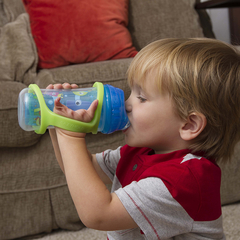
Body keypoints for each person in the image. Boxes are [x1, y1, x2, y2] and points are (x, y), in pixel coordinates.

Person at [47, 38, 240, 239]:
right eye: (132, 92)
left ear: (189, 124)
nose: (127, 104)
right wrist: (56, 122)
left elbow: (99, 215)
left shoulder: (183, 179)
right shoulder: (140, 151)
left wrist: (70, 134)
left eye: (142, 98)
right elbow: (80, 168)